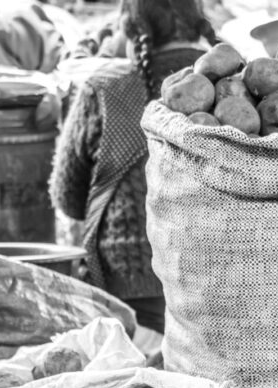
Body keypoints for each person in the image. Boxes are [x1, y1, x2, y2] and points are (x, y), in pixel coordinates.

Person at [50, 0, 217, 334]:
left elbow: (68, 198)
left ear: (129, 28)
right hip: (221, 277)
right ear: (199, 22)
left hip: (129, 285)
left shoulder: (105, 88)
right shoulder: (236, 87)